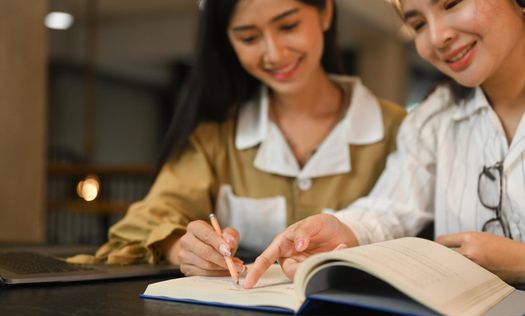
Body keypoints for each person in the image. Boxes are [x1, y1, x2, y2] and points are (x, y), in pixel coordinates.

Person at [68, 0, 405, 276]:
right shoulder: (216, 136)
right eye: (248, 37)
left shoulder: (402, 130)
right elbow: (143, 224)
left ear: (326, 11)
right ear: (228, 42)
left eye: (288, 26)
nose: (274, 53)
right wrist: (182, 248)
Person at [244, 0, 525, 288]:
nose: (438, 37)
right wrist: (339, 230)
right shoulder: (432, 120)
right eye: (418, 25)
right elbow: (389, 210)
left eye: (451, 3)